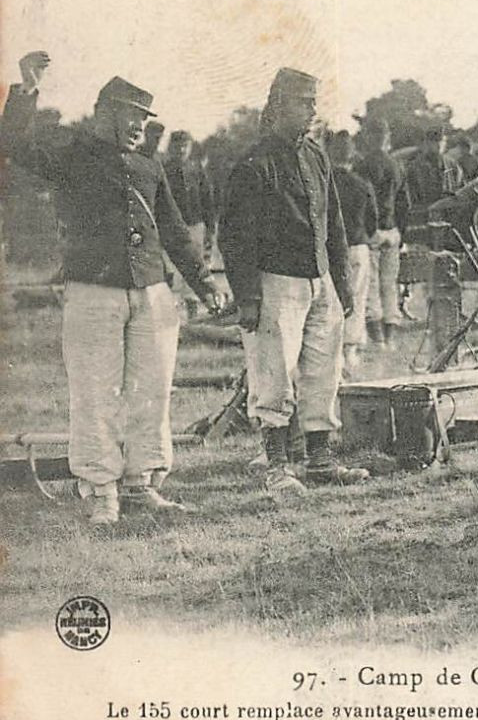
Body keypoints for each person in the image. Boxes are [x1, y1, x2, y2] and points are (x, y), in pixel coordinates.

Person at [0, 52, 223, 524]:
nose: (140, 126)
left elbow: (174, 230)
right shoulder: (71, 154)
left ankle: (142, 484)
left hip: (152, 292)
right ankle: (102, 491)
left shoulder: (149, 167)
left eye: (144, 118)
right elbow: (14, 145)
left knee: (152, 391)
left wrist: (203, 284)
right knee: (95, 393)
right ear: (105, 112)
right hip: (93, 291)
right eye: (132, 116)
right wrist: (25, 90)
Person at [219, 67, 369, 495]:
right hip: (276, 284)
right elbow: (234, 238)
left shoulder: (317, 156)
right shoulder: (254, 165)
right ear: (278, 106)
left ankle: (320, 461)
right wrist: (248, 297)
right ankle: (277, 466)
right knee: (274, 375)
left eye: (314, 102)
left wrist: (340, 285)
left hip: (320, 281)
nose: (312, 110)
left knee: (324, 371)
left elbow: (333, 224)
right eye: (304, 102)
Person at [326, 130, 379, 374]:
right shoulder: (362, 185)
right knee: (356, 298)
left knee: (329, 298)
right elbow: (372, 222)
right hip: (356, 245)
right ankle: (350, 350)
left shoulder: (323, 184)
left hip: (328, 249)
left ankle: (331, 349)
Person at [354, 121, 408, 346]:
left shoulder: (363, 165)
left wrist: (368, 229)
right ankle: (391, 334)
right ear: (387, 137)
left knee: (372, 285)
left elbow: (364, 202)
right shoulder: (397, 165)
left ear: (369, 136)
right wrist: (400, 231)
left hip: (372, 231)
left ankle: (377, 337)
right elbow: (405, 203)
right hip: (392, 229)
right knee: (390, 284)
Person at [162, 130, 219, 317]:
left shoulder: (196, 169)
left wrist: (210, 227)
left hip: (195, 225)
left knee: (196, 265)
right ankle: (171, 312)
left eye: (184, 146)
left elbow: (207, 199)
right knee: (172, 269)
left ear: (190, 148)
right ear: (170, 148)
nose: (181, 150)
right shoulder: (164, 170)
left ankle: (193, 312)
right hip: (171, 228)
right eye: (177, 146)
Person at [404, 126, 462, 210]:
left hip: (450, 212)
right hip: (425, 213)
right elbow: (411, 197)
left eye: (441, 141)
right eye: (433, 141)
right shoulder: (415, 167)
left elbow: (460, 189)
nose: (438, 145)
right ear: (426, 143)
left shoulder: (452, 164)